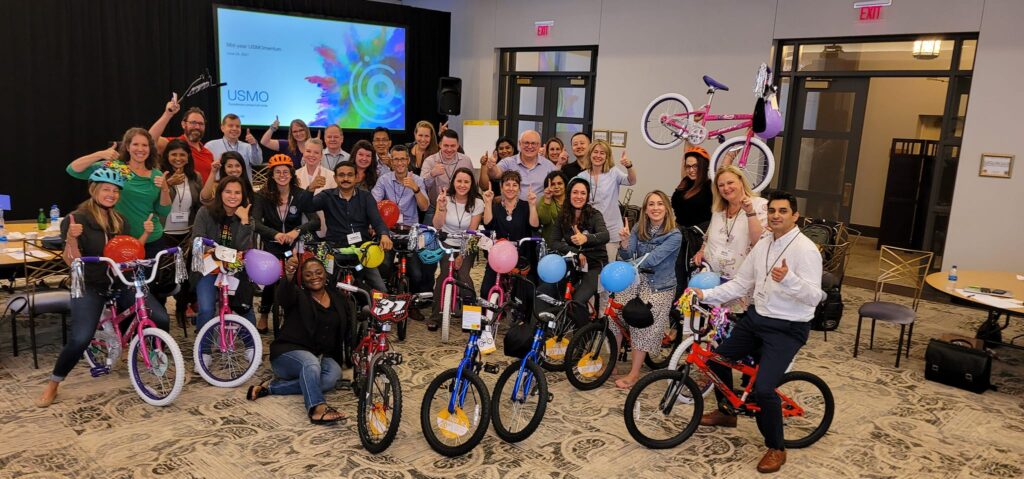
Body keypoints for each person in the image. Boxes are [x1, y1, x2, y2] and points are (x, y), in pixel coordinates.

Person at [690, 190, 825, 474]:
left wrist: (788, 280)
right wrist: (704, 293)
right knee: (716, 361)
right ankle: (728, 413)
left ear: (795, 216)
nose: (776, 215)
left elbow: (815, 297)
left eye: (783, 211)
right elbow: (740, 284)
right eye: (773, 210)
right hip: (757, 319)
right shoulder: (764, 243)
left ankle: (777, 447)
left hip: (788, 328)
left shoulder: (806, 250)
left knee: (764, 389)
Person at [36, 167, 163, 408]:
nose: (112, 194)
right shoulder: (77, 218)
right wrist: (72, 237)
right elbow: (71, 261)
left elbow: (126, 251)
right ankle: (54, 383)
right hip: (90, 284)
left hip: (119, 280)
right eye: (107, 189)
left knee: (159, 316)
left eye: (116, 191)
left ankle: (137, 351)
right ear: (94, 189)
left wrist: (145, 235)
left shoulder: (119, 219)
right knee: (81, 337)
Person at [247, 255, 349, 425]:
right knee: (311, 365)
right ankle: (317, 408)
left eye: (318, 272)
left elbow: (345, 326)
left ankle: (270, 387)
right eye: (308, 274)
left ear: (325, 274)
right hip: (287, 354)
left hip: (318, 355)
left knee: (332, 376)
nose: (314, 277)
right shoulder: (297, 295)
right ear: (302, 278)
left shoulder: (337, 297)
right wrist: (288, 276)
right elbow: (283, 296)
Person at [611, 190, 681, 389]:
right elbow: (627, 254)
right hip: (637, 279)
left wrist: (630, 261)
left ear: (667, 208)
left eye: (660, 204)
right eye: (651, 204)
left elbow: (653, 259)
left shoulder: (674, 235)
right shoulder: (638, 228)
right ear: (645, 209)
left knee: (640, 321)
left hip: (659, 287)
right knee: (613, 314)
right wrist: (624, 242)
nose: (656, 208)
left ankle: (634, 374)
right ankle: (612, 364)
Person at [67, 127, 172, 257]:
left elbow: (164, 211)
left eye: (145, 145)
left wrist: (165, 188)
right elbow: (73, 170)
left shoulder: (156, 174)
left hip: (151, 238)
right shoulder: (117, 168)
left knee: (151, 278)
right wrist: (100, 154)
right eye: (135, 144)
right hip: (120, 239)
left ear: (150, 148)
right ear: (127, 147)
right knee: (121, 277)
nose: (140, 149)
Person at [252, 154, 320, 333]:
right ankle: (265, 313)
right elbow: (255, 222)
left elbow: (315, 221)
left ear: (291, 174)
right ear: (272, 175)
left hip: (294, 243)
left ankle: (295, 313)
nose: (282, 175)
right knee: (270, 276)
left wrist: (296, 231)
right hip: (272, 241)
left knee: (297, 276)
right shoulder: (261, 196)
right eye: (277, 172)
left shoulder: (301, 195)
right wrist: (275, 233)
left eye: (286, 171)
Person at [306, 161, 393, 293]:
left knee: (380, 289)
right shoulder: (327, 196)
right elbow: (306, 206)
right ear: (335, 178)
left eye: (349, 175)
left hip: (362, 250)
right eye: (341, 175)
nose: (345, 178)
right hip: (334, 249)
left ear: (356, 177)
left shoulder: (366, 196)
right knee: (326, 286)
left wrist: (384, 235)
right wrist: (310, 189)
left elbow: (377, 220)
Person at [692, 164, 768, 313]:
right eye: (721, 185)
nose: (726, 188)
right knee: (708, 329)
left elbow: (760, 242)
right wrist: (702, 250)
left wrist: (750, 213)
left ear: (741, 181)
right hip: (711, 281)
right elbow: (708, 237)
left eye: (730, 182)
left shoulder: (760, 205)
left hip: (740, 285)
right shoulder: (718, 210)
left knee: (732, 330)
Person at [372, 145, 429, 318]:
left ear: (408, 160)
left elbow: (424, 206)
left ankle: (412, 305)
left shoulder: (417, 180)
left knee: (417, 274)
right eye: (396, 159)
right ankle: (387, 301)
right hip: (388, 230)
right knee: (385, 266)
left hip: (411, 231)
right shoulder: (384, 179)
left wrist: (416, 189)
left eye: (403, 159)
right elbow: (373, 202)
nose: (399, 163)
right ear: (391, 161)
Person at [192, 176, 255, 331]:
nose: (233, 196)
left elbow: (243, 247)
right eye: (228, 192)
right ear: (220, 193)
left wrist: (244, 222)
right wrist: (221, 253)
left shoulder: (247, 218)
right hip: (207, 268)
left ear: (243, 196)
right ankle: (204, 349)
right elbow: (197, 242)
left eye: (237, 193)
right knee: (206, 309)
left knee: (245, 307)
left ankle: (251, 347)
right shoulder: (205, 212)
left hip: (234, 269)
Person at [429, 167, 484, 331]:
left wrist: (461, 254)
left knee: (464, 275)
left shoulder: (478, 202)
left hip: (467, 243)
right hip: (446, 242)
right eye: (459, 181)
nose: (462, 185)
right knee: (444, 275)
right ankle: (435, 316)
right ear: (453, 182)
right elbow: (437, 225)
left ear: (471, 184)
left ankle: (471, 318)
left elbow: (472, 231)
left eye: (466, 181)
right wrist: (442, 207)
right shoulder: (445, 198)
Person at [550, 177, 609, 327]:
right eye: (575, 192)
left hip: (595, 264)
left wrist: (586, 238)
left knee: (578, 300)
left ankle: (581, 339)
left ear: (587, 196)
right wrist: (575, 251)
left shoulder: (595, 214)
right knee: (551, 291)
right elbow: (554, 241)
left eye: (583, 193)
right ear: (569, 194)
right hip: (575, 262)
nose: (579, 196)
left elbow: (605, 236)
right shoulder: (563, 216)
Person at [160, 139, 203, 323]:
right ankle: (159, 314)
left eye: (182, 155)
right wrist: (167, 183)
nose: (178, 158)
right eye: (174, 154)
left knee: (186, 276)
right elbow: (153, 202)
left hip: (187, 234)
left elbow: (199, 205)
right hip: (164, 233)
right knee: (162, 277)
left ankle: (181, 309)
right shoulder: (159, 175)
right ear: (167, 156)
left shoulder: (196, 177)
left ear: (188, 158)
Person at [149, 97, 214, 183]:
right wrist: (168, 114)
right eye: (193, 123)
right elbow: (150, 139)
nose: (197, 127)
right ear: (183, 124)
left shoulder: (208, 153)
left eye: (201, 124)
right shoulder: (172, 144)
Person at [421, 130, 474, 225]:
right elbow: (422, 188)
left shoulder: (466, 160)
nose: (449, 149)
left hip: (461, 209)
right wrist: (432, 174)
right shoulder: (430, 161)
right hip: (435, 208)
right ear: (440, 144)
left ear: (458, 145)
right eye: (446, 146)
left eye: (453, 146)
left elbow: (473, 185)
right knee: (426, 237)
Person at [482, 130, 555, 199]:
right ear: (519, 144)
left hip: (538, 210)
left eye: (533, 143)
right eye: (526, 143)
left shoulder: (549, 165)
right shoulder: (508, 162)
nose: (529, 146)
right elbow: (495, 174)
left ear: (539, 145)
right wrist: (491, 167)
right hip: (513, 210)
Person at [295, 138, 336, 238]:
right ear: (303, 152)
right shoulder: (295, 175)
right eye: (308, 151)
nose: (311, 155)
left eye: (316, 152)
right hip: (299, 228)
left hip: (324, 228)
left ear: (321, 155)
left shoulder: (331, 176)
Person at [205, 113, 263, 183]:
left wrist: (254, 145)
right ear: (222, 128)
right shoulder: (210, 146)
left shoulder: (248, 147)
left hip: (244, 190)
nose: (234, 129)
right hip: (219, 190)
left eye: (237, 126)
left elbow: (257, 162)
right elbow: (205, 170)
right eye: (230, 126)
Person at [672, 145, 713, 227]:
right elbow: (687, 147)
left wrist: (745, 139)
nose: (691, 170)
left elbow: (728, 159)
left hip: (698, 236)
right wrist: (687, 135)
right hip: (679, 232)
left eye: (696, 166)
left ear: (704, 166)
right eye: (688, 166)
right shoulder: (685, 182)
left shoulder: (711, 186)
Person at [537, 171, 568, 245]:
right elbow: (545, 221)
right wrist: (547, 199)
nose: (557, 187)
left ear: (565, 185)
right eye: (553, 184)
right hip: (551, 244)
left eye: (560, 183)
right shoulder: (544, 199)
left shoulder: (572, 198)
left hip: (571, 243)